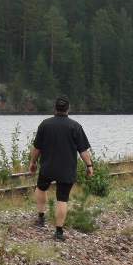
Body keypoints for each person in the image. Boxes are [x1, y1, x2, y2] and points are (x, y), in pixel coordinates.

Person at [29, 96, 94, 241]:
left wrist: (33, 162)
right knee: (62, 199)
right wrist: (89, 165)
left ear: (55, 108)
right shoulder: (75, 126)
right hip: (66, 169)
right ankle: (58, 232)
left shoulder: (45, 124)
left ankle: (40, 218)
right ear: (68, 109)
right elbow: (83, 150)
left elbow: (37, 148)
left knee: (41, 188)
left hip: (47, 167)